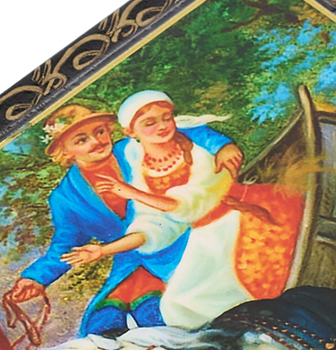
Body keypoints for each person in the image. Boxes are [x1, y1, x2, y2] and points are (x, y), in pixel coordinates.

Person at [59, 90, 303, 329]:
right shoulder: (136, 161)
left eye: (166, 118)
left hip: (235, 218)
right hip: (200, 234)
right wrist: (103, 251)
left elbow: (187, 205)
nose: (162, 127)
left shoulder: (200, 153)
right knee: (176, 306)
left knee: (239, 287)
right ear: (130, 132)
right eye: (150, 123)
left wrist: (132, 193)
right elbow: (154, 225)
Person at [0, 101, 241, 339]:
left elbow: (177, 130)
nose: (97, 141)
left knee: (162, 316)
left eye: (100, 132)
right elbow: (66, 245)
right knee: (101, 325)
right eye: (82, 140)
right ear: (65, 152)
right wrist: (35, 278)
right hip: (129, 263)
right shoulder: (66, 197)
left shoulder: (134, 149)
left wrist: (222, 145)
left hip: (180, 243)